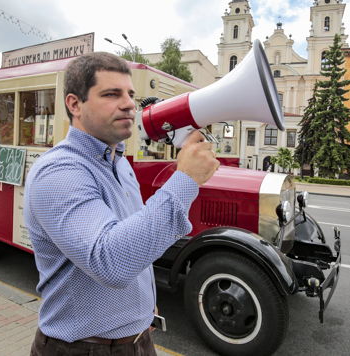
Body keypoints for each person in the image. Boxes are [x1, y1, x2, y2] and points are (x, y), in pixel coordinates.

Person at [24, 52, 219, 356]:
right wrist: (186, 179)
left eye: (130, 94)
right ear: (74, 104)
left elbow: (131, 236)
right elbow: (110, 261)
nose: (129, 104)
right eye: (112, 94)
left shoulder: (119, 163)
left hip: (137, 339)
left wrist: (143, 304)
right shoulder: (59, 171)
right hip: (80, 349)